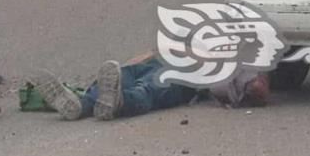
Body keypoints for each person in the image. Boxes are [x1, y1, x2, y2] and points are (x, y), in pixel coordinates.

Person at [35, 55, 270, 121]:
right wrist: (128, 66)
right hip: (158, 61)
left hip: (188, 77)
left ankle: (119, 102)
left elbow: (260, 91)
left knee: (149, 88)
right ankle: (81, 105)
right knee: (127, 75)